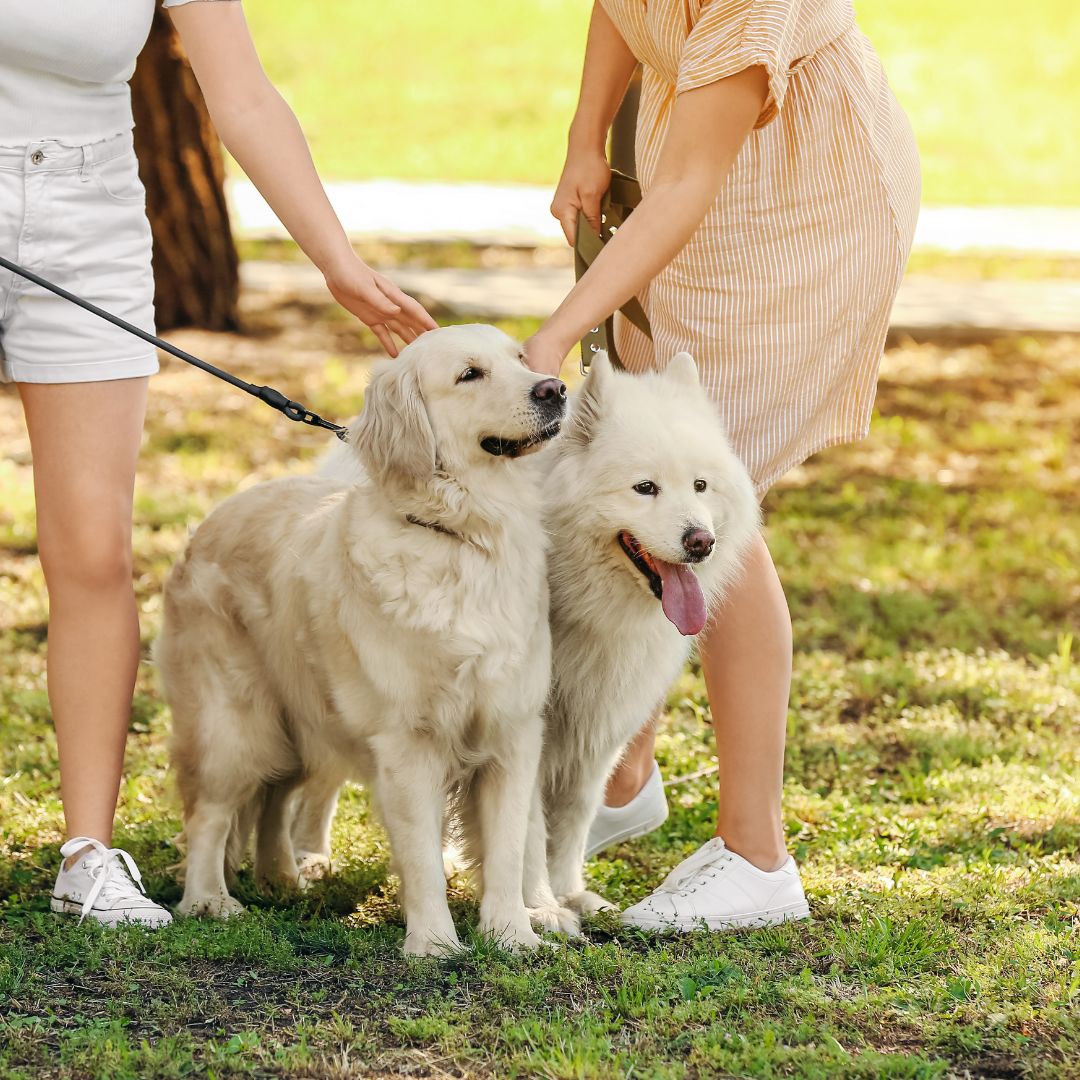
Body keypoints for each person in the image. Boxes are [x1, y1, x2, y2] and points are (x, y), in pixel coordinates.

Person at [0, 0, 436, 927]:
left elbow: (240, 95)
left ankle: (88, 856)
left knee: (91, 554)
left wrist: (338, 263)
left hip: (85, 220)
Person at [526, 0, 919, 930]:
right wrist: (587, 137)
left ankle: (757, 857)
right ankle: (622, 777)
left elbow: (689, 179)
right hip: (691, 166)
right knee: (652, 472)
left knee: (707, 491)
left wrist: (558, 333)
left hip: (802, 201)